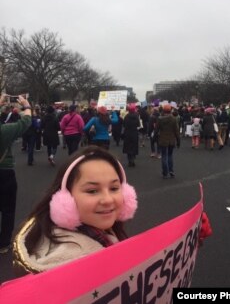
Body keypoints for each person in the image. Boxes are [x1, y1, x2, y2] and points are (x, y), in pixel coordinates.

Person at [13, 145, 138, 275]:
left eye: (114, 188)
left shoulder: (92, 232)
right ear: (66, 200)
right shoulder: (76, 260)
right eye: (92, 191)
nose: (107, 200)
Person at [0, 94, 32, 254]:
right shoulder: (5, 131)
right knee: (7, 209)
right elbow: (26, 122)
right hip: (4, 171)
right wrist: (26, 106)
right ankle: (4, 243)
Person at [155, 104, 180, 179]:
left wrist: (154, 138)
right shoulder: (173, 119)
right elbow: (176, 131)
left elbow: (156, 130)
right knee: (170, 155)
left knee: (164, 156)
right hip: (171, 140)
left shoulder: (160, 119)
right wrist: (178, 141)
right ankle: (171, 170)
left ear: (163, 110)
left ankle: (165, 172)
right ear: (170, 110)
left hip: (163, 139)